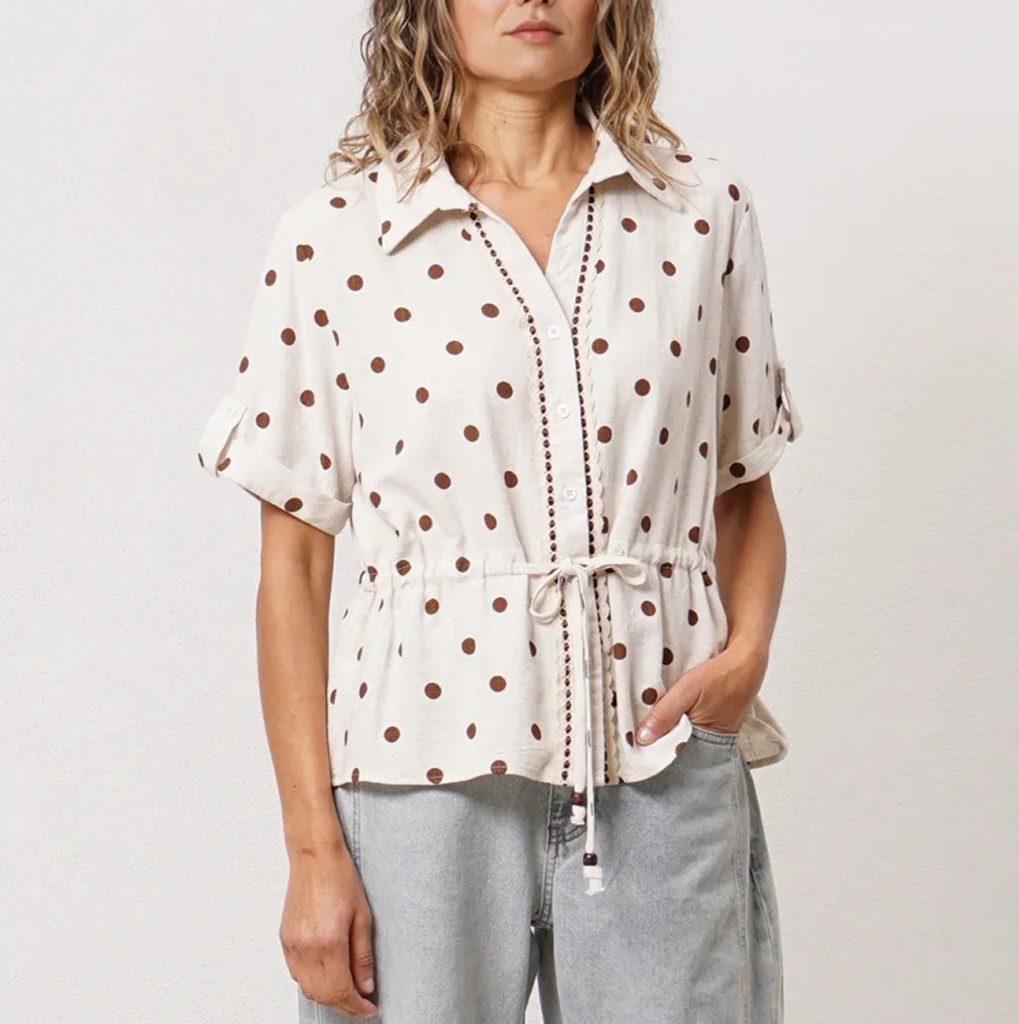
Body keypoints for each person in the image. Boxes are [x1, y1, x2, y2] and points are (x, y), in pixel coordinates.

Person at [195, 1, 804, 1021]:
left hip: (661, 758)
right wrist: (311, 851)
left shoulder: (701, 214)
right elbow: (292, 568)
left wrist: (744, 660)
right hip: (419, 776)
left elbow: (743, 487)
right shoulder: (335, 239)